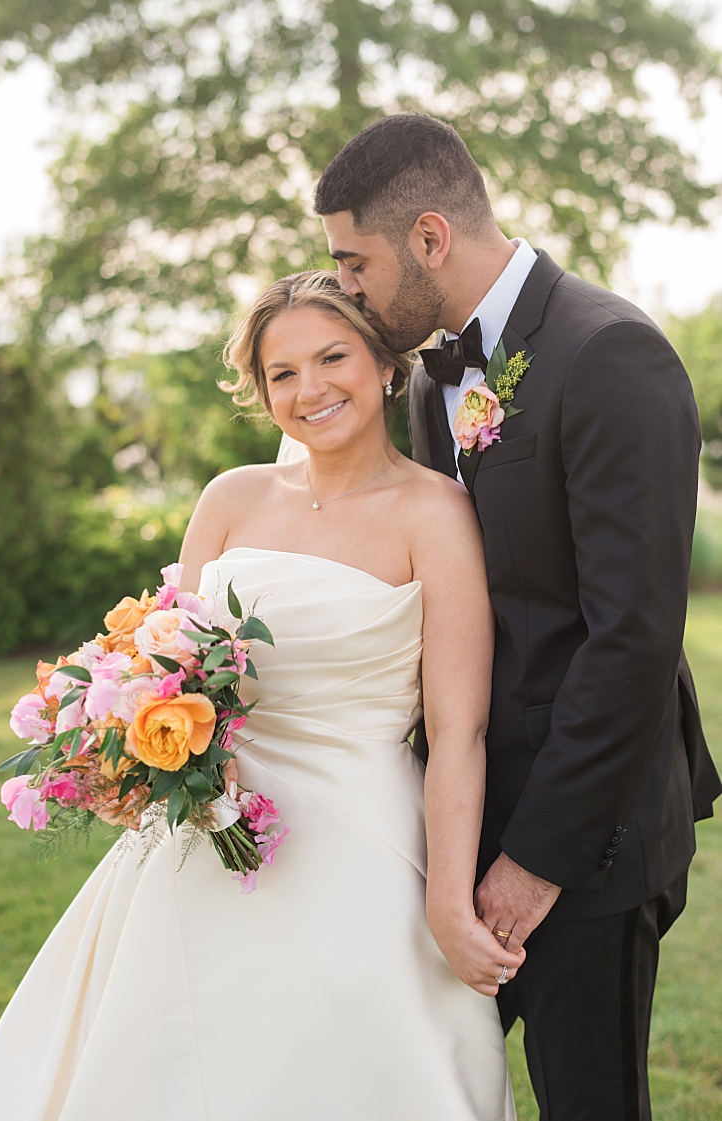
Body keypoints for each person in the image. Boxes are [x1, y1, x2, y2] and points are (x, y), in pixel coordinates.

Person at [0, 269, 523, 1119]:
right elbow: (169, 660)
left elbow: (460, 731)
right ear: (261, 391)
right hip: (201, 825)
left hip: (361, 836)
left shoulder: (436, 513)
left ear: (384, 363)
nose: (311, 389)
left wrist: (447, 900)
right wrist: (126, 737)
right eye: (282, 373)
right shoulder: (228, 499)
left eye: (332, 357)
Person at [313, 112, 721, 1121]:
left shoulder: (611, 354)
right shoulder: (434, 375)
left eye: (352, 261)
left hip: (590, 834)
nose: (344, 289)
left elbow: (631, 640)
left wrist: (536, 861)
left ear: (430, 238)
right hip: (463, 818)